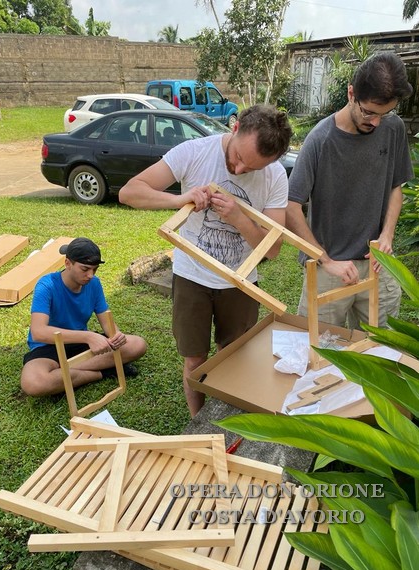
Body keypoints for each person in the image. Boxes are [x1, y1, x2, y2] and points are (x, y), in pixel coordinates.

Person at [119, 104, 292, 416]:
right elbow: (130, 192)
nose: (239, 170)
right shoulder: (193, 152)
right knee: (194, 360)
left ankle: (225, 419)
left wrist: (240, 218)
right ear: (235, 127)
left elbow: (273, 249)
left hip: (240, 281)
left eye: (250, 169)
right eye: (239, 158)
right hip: (192, 277)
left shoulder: (275, 176)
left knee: (233, 357)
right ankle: (197, 420)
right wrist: (179, 199)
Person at [287, 52, 413, 329]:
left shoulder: (393, 129)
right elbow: (291, 206)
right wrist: (326, 260)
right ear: (351, 93)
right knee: (317, 352)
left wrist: (387, 235)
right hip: (329, 269)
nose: (376, 122)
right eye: (368, 112)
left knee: (379, 355)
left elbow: (395, 187)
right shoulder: (320, 140)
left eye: (385, 113)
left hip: (379, 265)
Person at [20, 237, 147, 397]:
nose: (90, 275)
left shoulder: (94, 284)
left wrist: (116, 336)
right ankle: (102, 373)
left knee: (137, 344)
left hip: (81, 344)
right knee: (34, 384)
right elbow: (39, 332)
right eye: (85, 269)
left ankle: (63, 375)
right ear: (68, 263)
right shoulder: (47, 285)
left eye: (94, 269)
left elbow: (107, 322)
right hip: (48, 346)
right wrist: (87, 336)